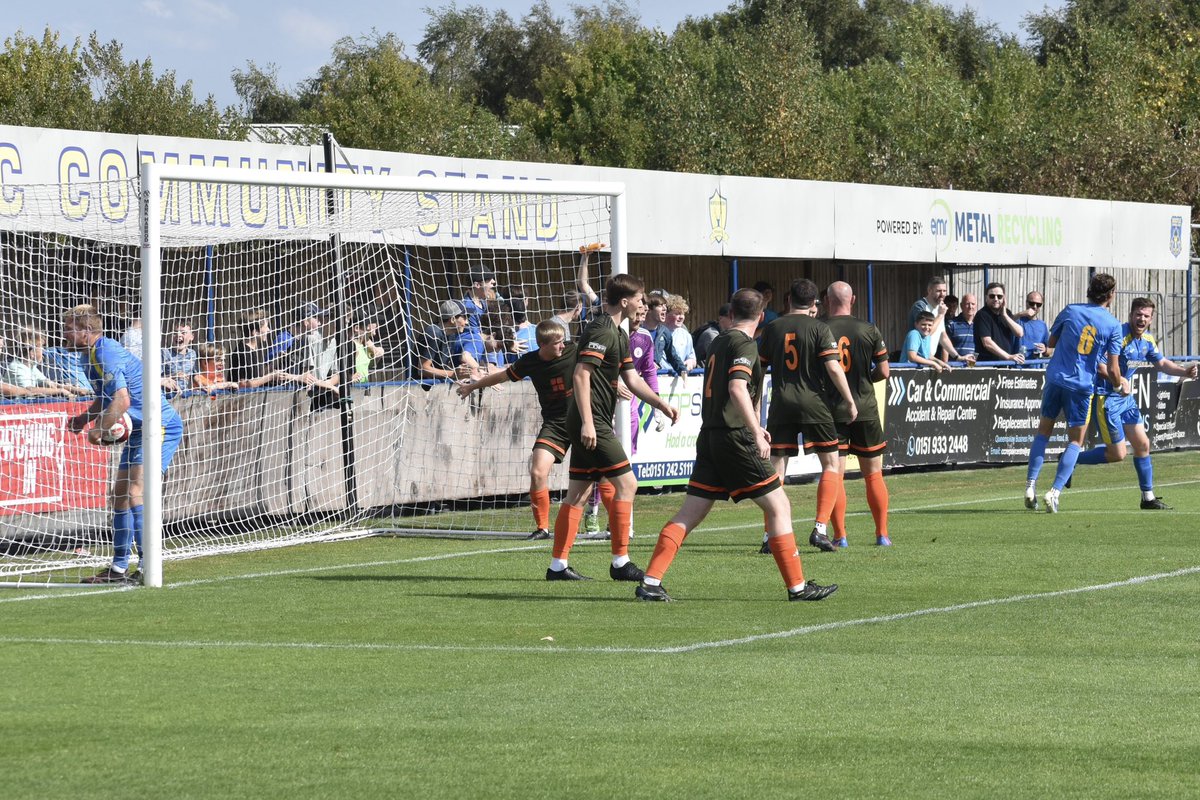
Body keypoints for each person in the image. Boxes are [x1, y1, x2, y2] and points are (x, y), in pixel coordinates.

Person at [634, 288, 837, 602]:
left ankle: (650, 582)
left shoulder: (719, 341)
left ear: (732, 312)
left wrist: (756, 422)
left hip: (711, 435)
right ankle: (797, 587)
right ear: (760, 314)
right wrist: (756, 431)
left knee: (690, 512)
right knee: (780, 505)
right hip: (733, 437)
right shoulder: (744, 343)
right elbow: (738, 388)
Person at [544, 273, 679, 582]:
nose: (643, 304)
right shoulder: (604, 330)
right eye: (640, 299)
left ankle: (557, 566)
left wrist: (661, 404)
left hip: (591, 419)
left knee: (577, 493)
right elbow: (581, 375)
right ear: (625, 301)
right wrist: (589, 424)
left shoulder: (620, 333)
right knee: (627, 484)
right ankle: (620, 562)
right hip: (591, 420)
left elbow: (632, 379)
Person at [62, 304, 185, 584]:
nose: (64, 333)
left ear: (87, 331)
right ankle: (118, 569)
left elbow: (122, 401)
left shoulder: (106, 352)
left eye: (69, 327)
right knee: (119, 494)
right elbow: (106, 398)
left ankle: (146, 565)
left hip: (160, 425)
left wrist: (99, 430)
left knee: (134, 491)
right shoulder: (88, 355)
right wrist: (84, 418)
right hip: (140, 427)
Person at [758, 278, 857, 552]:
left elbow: (759, 372)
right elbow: (834, 368)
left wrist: (756, 410)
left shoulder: (772, 328)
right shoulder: (819, 328)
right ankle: (820, 529)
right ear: (815, 303)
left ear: (788, 299)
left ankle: (770, 536)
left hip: (781, 404)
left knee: (777, 469)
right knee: (830, 464)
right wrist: (849, 401)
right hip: (815, 404)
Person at [1071, 297, 1198, 509]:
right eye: (1138, 314)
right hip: (1107, 398)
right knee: (1118, 454)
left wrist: (1184, 372)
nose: (1142, 318)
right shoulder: (1118, 336)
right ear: (1130, 315)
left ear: (1151, 319)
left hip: (1126, 399)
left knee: (1143, 445)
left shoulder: (1147, 340)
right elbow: (1099, 366)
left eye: (1146, 316)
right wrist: (1119, 380)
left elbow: (1162, 363)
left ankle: (1147, 498)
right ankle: (1071, 459)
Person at [458, 321, 578, 540]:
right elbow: (502, 376)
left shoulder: (574, 351)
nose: (563, 346)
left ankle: (613, 524)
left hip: (582, 420)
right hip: (555, 424)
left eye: (563, 341)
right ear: (542, 344)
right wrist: (473, 386)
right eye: (558, 343)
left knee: (603, 474)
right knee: (538, 471)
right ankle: (542, 528)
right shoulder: (530, 362)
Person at [1023, 273, 1126, 513]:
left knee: (1043, 433)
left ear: (1089, 290)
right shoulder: (1112, 325)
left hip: (1056, 379)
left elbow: (1051, 341)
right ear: (1111, 295)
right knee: (1075, 441)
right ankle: (1054, 492)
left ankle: (1030, 486)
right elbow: (1112, 368)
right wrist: (1119, 386)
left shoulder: (1070, 310)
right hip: (1081, 387)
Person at [822, 281, 892, 547]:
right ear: (853, 300)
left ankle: (840, 536)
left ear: (828, 301)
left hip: (832, 410)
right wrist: (865, 379)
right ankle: (881, 534)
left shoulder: (820, 329)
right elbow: (884, 372)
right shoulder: (869, 329)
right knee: (873, 474)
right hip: (865, 408)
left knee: (834, 473)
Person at [2, 329, 90, 398]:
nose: (43, 350)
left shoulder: (31, 367)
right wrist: (59, 391)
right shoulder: (17, 368)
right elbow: (28, 390)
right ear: (31, 352)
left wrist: (74, 389)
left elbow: (48, 383)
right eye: (41, 347)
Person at [226, 309, 294, 390]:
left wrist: (276, 360)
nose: (269, 330)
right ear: (255, 332)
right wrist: (271, 377)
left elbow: (257, 377)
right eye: (266, 327)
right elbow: (243, 384)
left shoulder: (251, 350)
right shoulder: (243, 353)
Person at [417, 300, 480, 381]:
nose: (467, 322)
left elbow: (444, 366)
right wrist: (453, 374)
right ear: (453, 319)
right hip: (421, 387)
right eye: (465, 317)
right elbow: (423, 369)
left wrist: (466, 372)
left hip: (439, 386)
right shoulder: (433, 332)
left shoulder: (452, 334)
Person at [907, 276, 959, 360]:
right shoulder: (920, 306)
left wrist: (957, 356)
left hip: (928, 358)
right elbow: (925, 333)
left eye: (944, 291)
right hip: (916, 361)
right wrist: (940, 315)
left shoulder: (940, 308)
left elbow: (943, 336)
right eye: (938, 291)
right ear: (929, 290)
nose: (942, 294)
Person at [974, 282, 1026, 364]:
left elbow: (1019, 333)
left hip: (1005, 364)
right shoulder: (982, 314)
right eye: (992, 296)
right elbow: (987, 343)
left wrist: (1004, 315)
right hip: (987, 365)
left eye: (999, 296)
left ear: (1004, 298)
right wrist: (1008, 356)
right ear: (986, 298)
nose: (996, 299)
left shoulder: (1007, 313)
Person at [645, 294, 685, 375]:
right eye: (660, 306)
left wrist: (683, 370)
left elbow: (672, 356)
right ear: (649, 309)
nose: (665, 309)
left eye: (665, 306)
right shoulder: (636, 330)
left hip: (654, 377)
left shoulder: (664, 331)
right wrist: (647, 364)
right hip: (638, 378)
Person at [161, 322, 198, 395]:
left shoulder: (192, 354)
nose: (178, 335)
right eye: (175, 332)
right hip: (166, 396)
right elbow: (154, 378)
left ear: (191, 336)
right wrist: (174, 375)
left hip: (183, 395)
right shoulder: (164, 353)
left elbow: (196, 374)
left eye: (183, 332)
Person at [664, 295, 697, 373]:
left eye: (683, 314)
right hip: (659, 377)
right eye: (677, 313)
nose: (681, 317)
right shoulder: (656, 332)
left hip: (678, 379)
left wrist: (690, 362)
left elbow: (692, 358)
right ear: (666, 314)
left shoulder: (686, 336)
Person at [944, 293, 978, 365]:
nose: (970, 307)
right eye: (967, 304)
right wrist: (945, 366)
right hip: (956, 368)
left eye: (973, 304)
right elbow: (945, 347)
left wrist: (972, 366)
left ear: (976, 306)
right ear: (961, 306)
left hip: (974, 367)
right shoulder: (951, 324)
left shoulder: (980, 324)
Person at [1017, 290, 1050, 360]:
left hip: (1035, 367)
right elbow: (1006, 321)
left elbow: (1049, 350)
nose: (1035, 307)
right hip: (1017, 366)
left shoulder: (1042, 325)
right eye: (1032, 303)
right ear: (1026, 303)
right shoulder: (1018, 320)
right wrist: (1021, 314)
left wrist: (1045, 350)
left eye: (1038, 304)